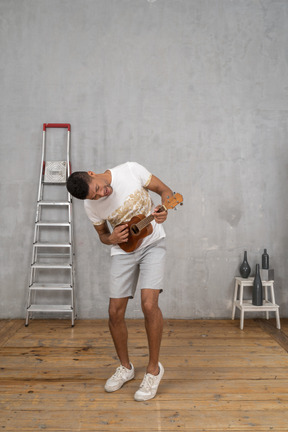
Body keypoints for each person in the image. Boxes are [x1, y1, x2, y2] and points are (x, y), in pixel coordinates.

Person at [66, 161, 173, 401]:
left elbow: (166, 191)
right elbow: (103, 236)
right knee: (114, 311)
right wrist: (110, 237)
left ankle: (154, 370)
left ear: (92, 174)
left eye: (98, 188)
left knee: (148, 305)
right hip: (123, 250)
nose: (100, 194)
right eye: (94, 196)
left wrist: (164, 208)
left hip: (153, 244)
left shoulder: (130, 170)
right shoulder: (90, 205)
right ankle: (126, 367)